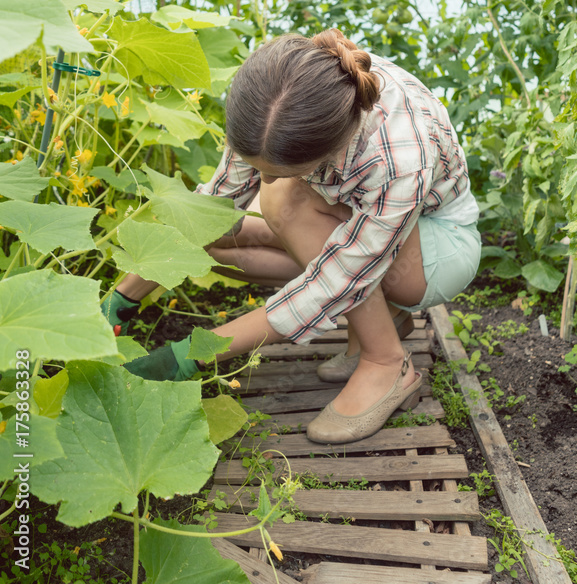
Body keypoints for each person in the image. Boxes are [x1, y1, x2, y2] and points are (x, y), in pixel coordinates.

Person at [109, 29, 481, 444]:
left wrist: (196, 352)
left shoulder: (398, 157)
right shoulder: (276, 97)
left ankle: (386, 362)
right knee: (221, 241)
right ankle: (380, 320)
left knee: (287, 198)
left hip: (437, 248)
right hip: (364, 231)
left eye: (279, 167)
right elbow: (213, 207)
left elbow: (332, 281)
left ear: (332, 149)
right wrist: (125, 295)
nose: (262, 176)